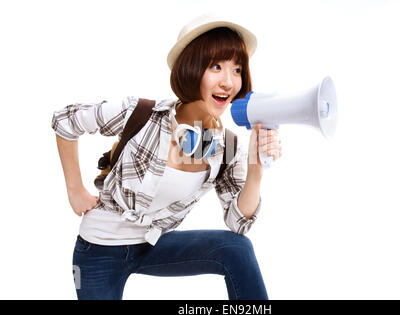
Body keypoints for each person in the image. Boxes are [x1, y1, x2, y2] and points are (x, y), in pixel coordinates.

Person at [52, 14, 282, 300]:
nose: (228, 81)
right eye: (216, 66)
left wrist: (256, 170)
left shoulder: (228, 147)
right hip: (99, 249)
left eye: (237, 70)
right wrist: (75, 190)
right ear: (191, 68)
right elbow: (65, 121)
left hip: (153, 245)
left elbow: (238, 223)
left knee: (236, 249)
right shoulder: (140, 115)